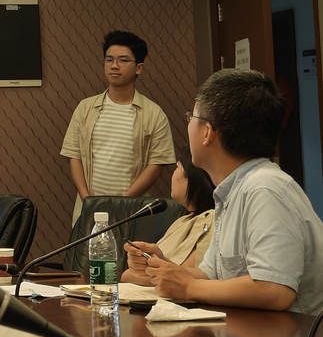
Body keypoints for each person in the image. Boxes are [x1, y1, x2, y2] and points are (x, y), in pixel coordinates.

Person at [146, 68, 323, 314]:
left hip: (294, 336)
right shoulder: (232, 190)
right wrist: (165, 268)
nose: (189, 127)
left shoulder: (265, 188)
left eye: (191, 118)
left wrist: (188, 287)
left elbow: (274, 290)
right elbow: (213, 277)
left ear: (207, 132)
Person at [60, 30, 176, 224]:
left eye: (123, 60)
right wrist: (87, 199)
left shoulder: (154, 114)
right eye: (109, 59)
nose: (114, 65)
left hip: (132, 212)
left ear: (138, 67)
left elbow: (156, 166)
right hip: (88, 210)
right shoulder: (85, 108)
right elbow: (74, 156)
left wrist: (122, 203)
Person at [121, 145, 215, 285]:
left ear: (194, 179)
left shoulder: (210, 219)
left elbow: (182, 275)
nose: (174, 174)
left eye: (177, 167)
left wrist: (133, 273)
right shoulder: (182, 221)